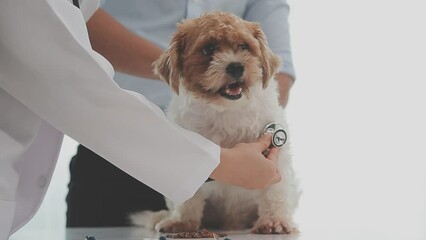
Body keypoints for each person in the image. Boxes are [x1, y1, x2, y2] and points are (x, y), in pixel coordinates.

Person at [0, 0, 282, 239]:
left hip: (226, 158)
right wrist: (217, 160)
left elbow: (279, 59)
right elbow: (78, 81)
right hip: (114, 155)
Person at [66, 0, 296, 227]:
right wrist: (185, 67)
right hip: (113, 151)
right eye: (209, 50)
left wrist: (267, 128)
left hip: (251, 187)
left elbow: (278, 67)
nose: (233, 61)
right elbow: (72, 17)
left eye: (243, 47)